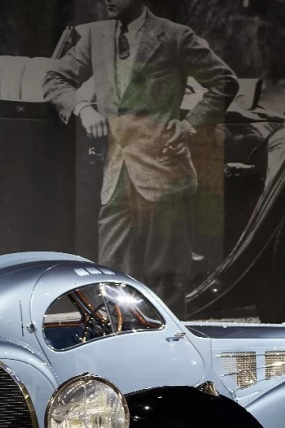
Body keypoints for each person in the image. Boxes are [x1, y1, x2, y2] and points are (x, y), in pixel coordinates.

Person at [44, 0, 238, 309]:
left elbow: (225, 82)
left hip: (165, 175)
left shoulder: (174, 35)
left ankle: (170, 352)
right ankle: (117, 348)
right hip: (117, 177)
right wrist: (83, 109)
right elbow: (54, 78)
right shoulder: (96, 36)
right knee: (110, 277)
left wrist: (190, 125)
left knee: (166, 282)